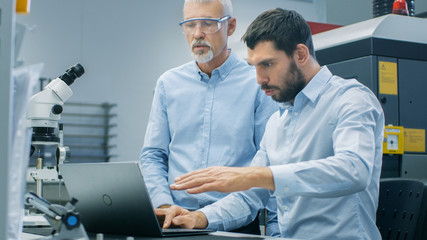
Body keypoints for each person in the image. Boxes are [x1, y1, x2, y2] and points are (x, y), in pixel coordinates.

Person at [156, 8, 385, 240]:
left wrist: (256, 176)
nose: (259, 79)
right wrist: (198, 218)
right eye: (254, 66)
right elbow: (249, 197)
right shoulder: (278, 121)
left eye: (267, 65)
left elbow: (354, 169)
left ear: (301, 55)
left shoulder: (351, 99)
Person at [140, 0, 279, 235]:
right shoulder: (168, 83)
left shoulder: (257, 83)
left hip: (236, 226)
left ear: (231, 27)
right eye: (190, 24)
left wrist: (276, 231)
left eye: (208, 23)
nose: (197, 34)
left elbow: (267, 166)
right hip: (174, 222)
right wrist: (164, 206)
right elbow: (153, 155)